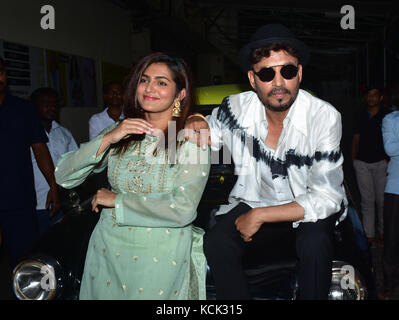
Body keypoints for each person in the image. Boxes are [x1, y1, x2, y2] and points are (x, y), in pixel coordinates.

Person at [186, 24, 348, 300]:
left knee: (315, 242)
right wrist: (195, 119)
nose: (278, 83)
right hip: (255, 200)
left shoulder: (324, 117)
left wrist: (260, 216)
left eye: (287, 71)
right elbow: (207, 133)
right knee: (216, 242)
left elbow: (326, 197)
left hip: (305, 207)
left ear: (299, 73)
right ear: (252, 79)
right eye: (266, 73)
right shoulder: (235, 109)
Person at [55, 52, 210, 300]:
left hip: (161, 254)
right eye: (144, 80)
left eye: (162, 82)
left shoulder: (191, 138)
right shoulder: (120, 132)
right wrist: (108, 138)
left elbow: (183, 209)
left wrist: (117, 200)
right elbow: (63, 176)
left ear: (180, 94)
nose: (149, 88)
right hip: (107, 249)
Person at [0, 56, 60, 268]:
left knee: (26, 260)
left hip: (20, 202)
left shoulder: (23, 110)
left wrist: (53, 185)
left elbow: (40, 150)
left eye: (1, 71)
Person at [30, 87, 78, 236]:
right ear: (33, 105)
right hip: (35, 205)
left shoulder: (64, 133)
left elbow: (75, 165)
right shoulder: (24, 133)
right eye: (45, 103)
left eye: (54, 103)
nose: (51, 107)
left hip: (62, 203)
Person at [352, 85, 390, 247]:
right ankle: (369, 235)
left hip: (382, 162)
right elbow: (355, 138)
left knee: (382, 201)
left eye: (375, 95)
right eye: (369, 95)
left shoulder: (387, 116)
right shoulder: (360, 115)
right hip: (362, 163)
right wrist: (354, 160)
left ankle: (383, 233)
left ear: (380, 97)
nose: (371, 98)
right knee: (367, 201)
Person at [381, 85, 399, 299]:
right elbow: (390, 149)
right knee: (392, 240)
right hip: (395, 188)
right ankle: (389, 284)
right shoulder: (390, 120)